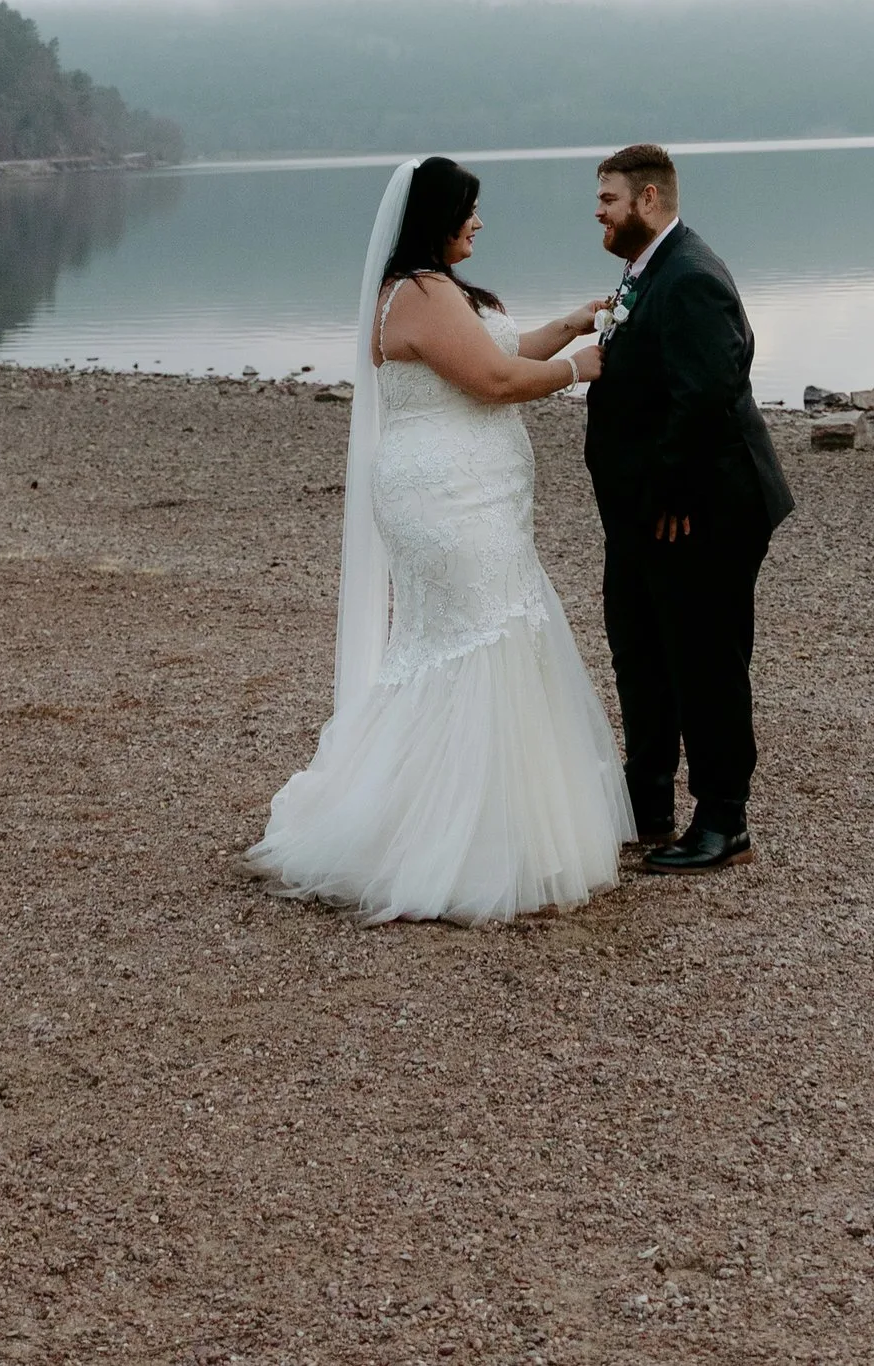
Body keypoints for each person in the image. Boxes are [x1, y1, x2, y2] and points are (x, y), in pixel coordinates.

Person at [247, 154, 630, 922]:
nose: (479, 223)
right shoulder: (417, 295)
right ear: (437, 218)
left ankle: (495, 831)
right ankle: (447, 846)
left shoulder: (438, 291)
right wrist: (581, 369)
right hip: (445, 501)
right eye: (469, 211)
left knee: (482, 639)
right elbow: (493, 382)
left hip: (481, 499)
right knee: (470, 644)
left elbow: (504, 348)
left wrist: (573, 323)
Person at [571, 140, 791, 872]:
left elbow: (708, 392)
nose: (596, 211)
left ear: (649, 200)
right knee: (640, 654)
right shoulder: (646, 272)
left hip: (702, 510)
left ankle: (725, 821)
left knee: (705, 662)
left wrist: (670, 494)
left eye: (607, 199)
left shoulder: (692, 276)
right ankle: (649, 801)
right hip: (645, 515)